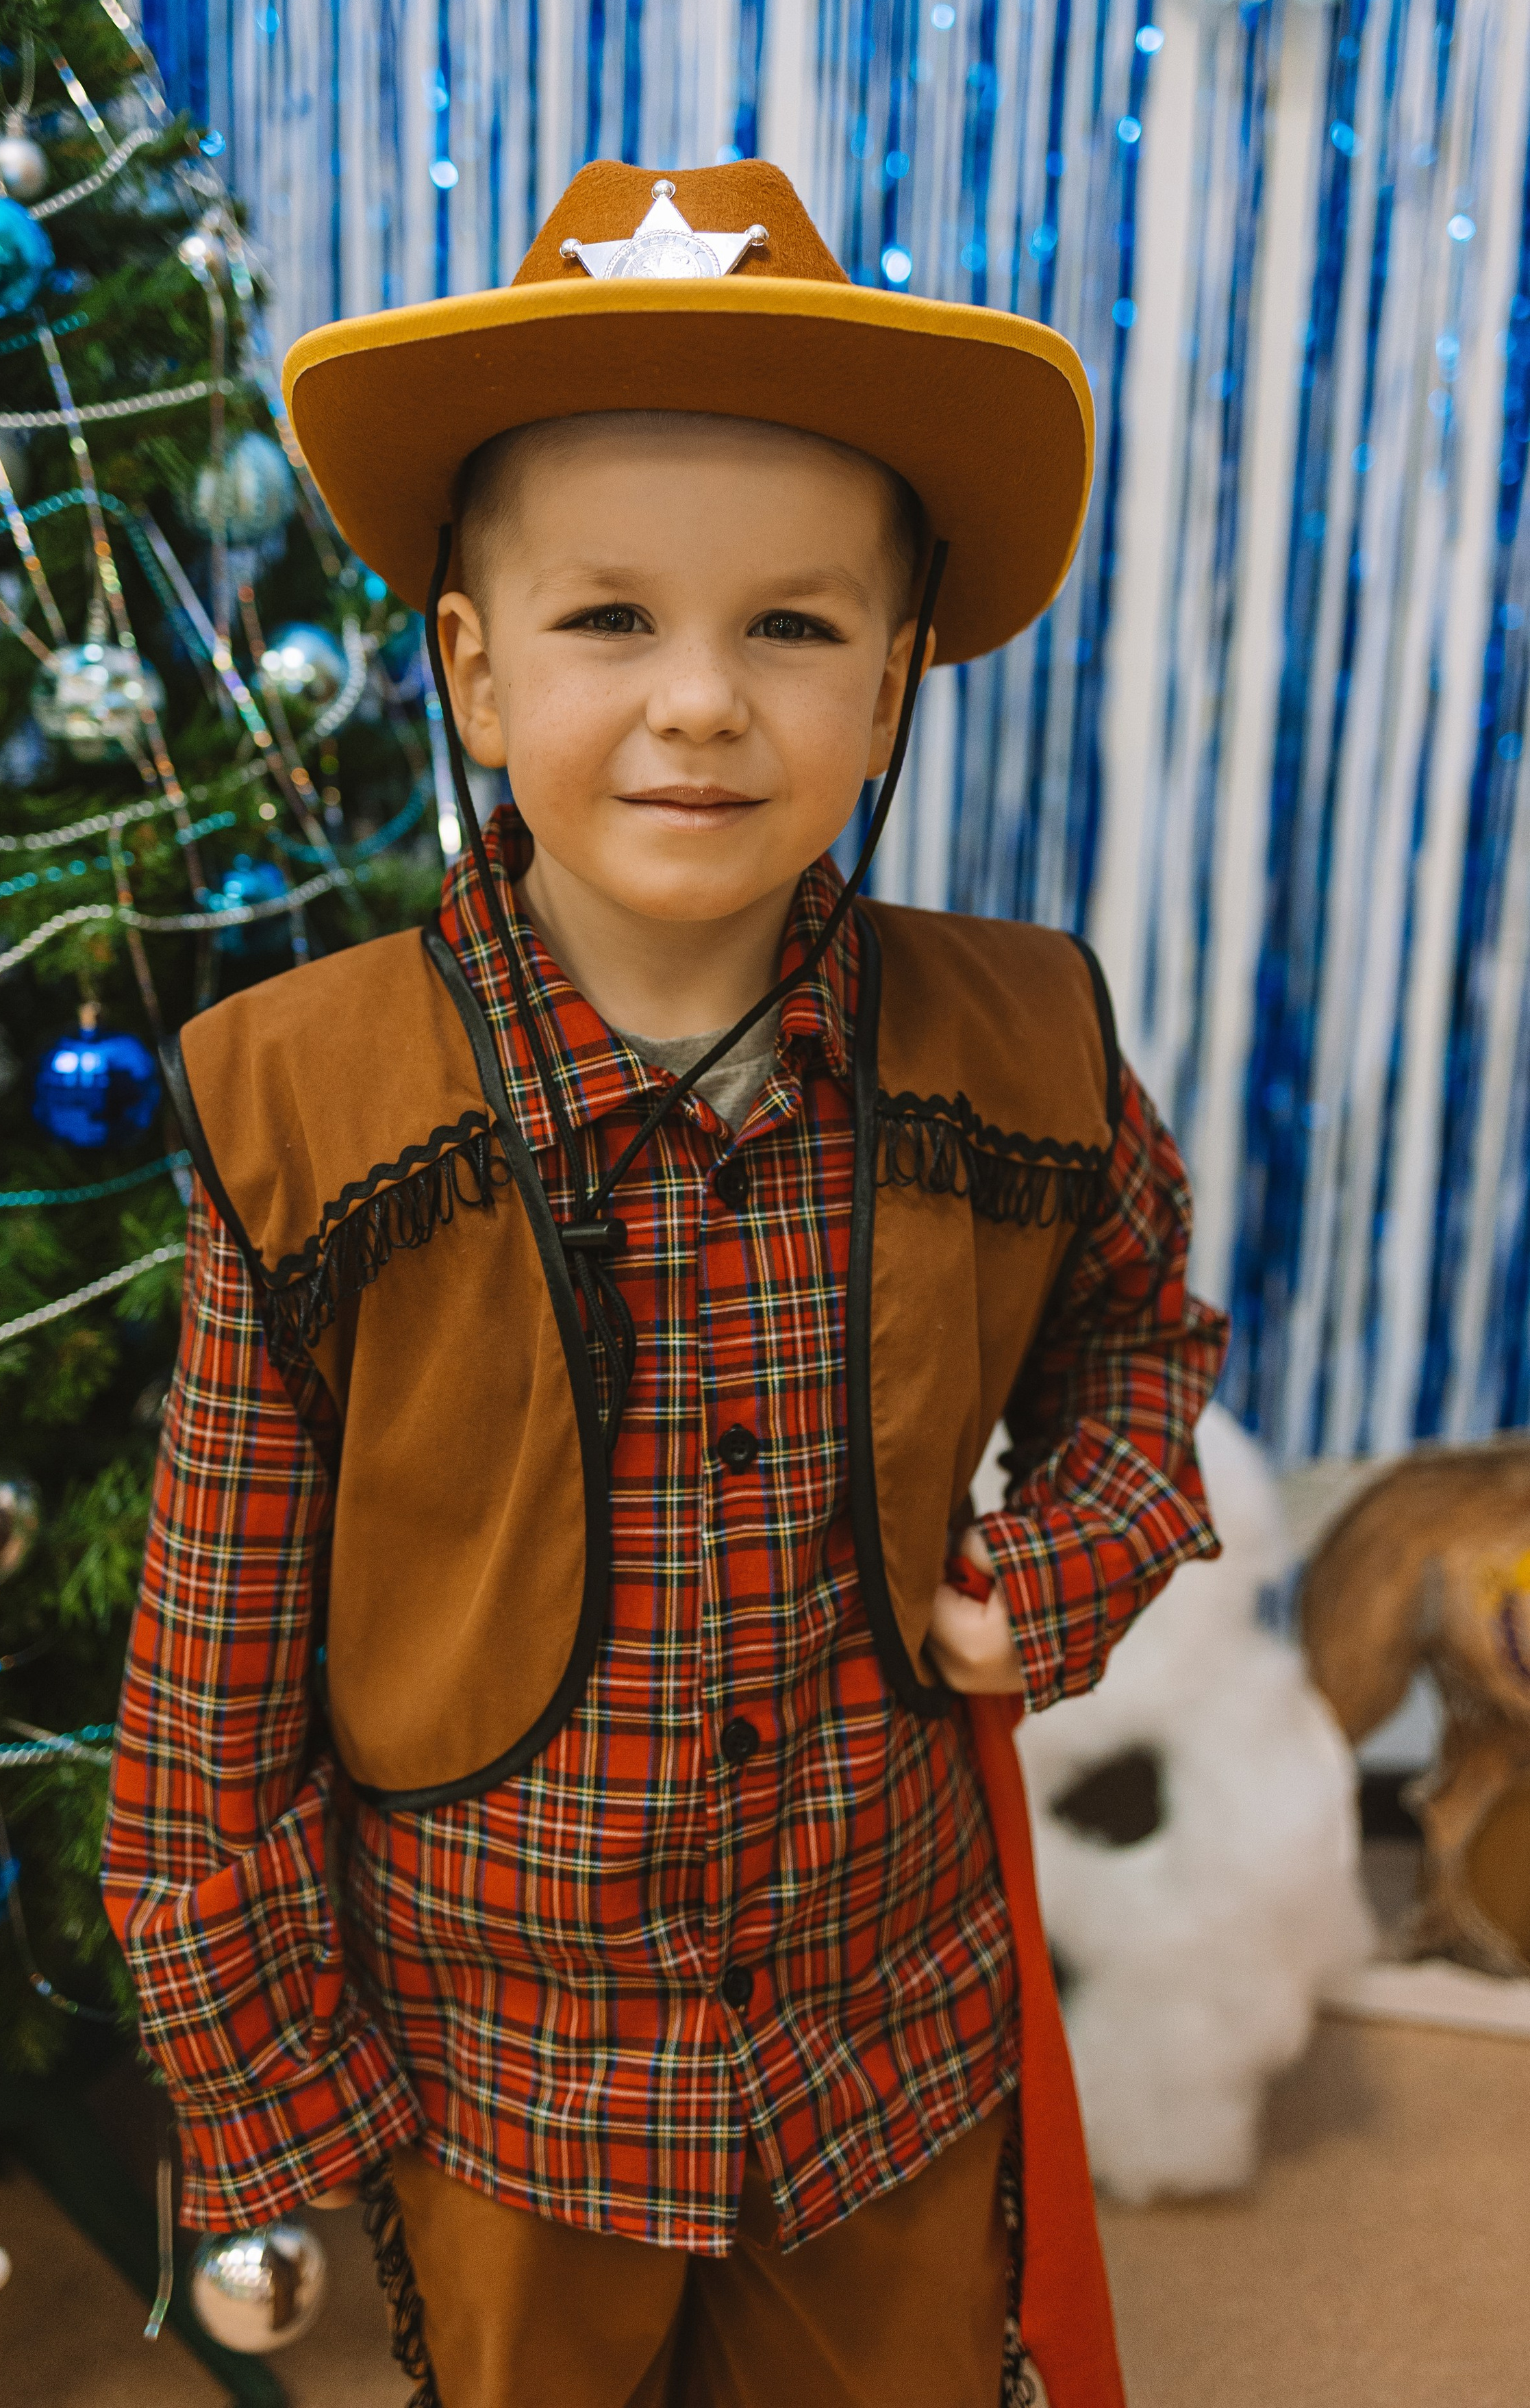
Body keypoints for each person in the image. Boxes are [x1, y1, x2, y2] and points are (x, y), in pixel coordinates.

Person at [103, 160, 1227, 2408]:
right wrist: (272, 2107)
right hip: (508, 2087)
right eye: (611, 619)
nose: (701, 702)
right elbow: (206, 1698)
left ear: (896, 682)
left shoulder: (1022, 1050)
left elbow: (1143, 1341)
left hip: (889, 2055)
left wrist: (1066, 1560)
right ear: (476, 670)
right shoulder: (308, 1112)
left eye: (793, 628)